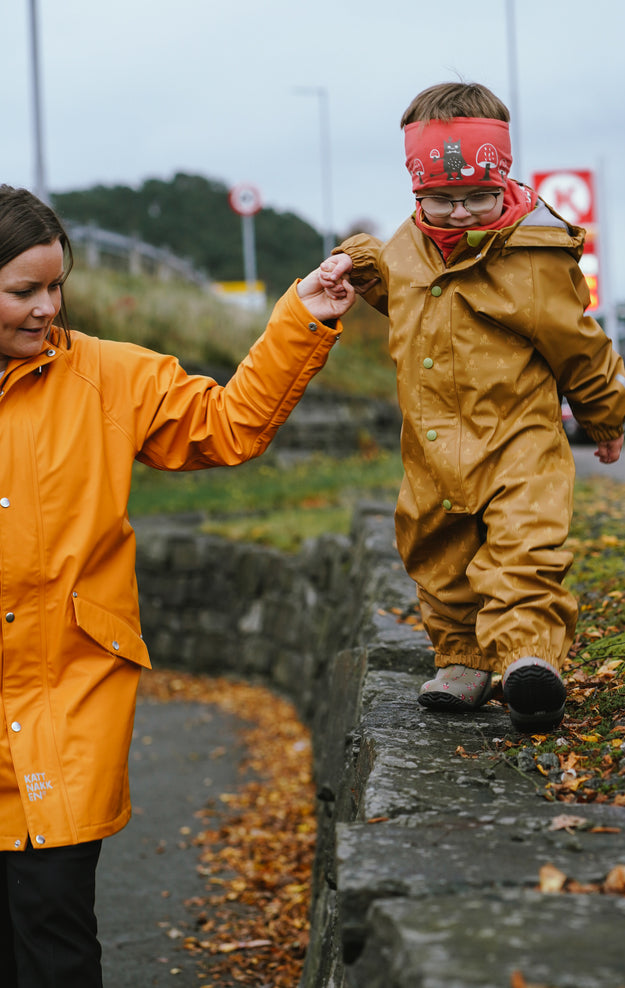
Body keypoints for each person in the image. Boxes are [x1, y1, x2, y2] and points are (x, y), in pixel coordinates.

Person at [0, 184, 354, 988]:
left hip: (67, 699)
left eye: (56, 286)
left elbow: (231, 425)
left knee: (54, 930)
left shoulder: (109, 378)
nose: (46, 307)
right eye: (24, 290)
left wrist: (304, 316)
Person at [319, 81, 625, 736]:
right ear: (416, 193)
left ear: (503, 181)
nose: (460, 213)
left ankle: (526, 662)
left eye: (479, 198)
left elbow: (582, 349)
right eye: (442, 200)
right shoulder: (405, 252)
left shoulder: (534, 259)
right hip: (433, 452)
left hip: (521, 441)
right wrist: (360, 264)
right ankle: (462, 656)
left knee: (524, 549)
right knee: (438, 553)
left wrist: (605, 418)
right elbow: (401, 296)